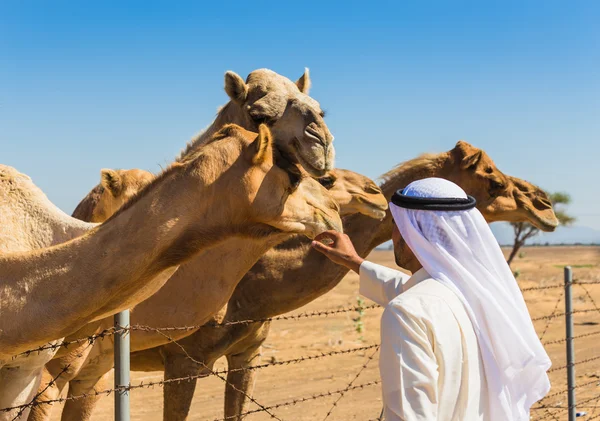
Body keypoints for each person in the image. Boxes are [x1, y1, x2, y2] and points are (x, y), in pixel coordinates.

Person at [311, 177, 551, 421]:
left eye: (398, 224)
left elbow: (409, 415)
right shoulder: (479, 294)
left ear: (413, 232)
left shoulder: (407, 312)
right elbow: (411, 291)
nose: (394, 234)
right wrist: (355, 261)